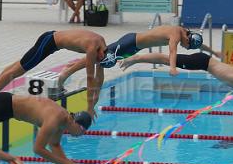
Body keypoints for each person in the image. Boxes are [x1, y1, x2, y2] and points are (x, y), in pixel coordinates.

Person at [57, 25, 204, 113]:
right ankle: (67, 72)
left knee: (99, 59)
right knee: (98, 58)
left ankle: (71, 68)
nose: (185, 48)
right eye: (187, 46)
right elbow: (172, 51)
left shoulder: (181, 31)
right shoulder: (176, 34)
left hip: (133, 47)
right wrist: (172, 68)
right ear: (188, 38)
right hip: (130, 43)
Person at [119, 50, 233, 125]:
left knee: (167, 59)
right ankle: (135, 58)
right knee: (166, 59)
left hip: (204, 60)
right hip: (202, 63)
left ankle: (135, 59)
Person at [0, 29, 107, 117]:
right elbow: (90, 78)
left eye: (101, 59)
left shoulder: (103, 47)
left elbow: (99, 78)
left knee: (17, 66)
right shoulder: (92, 48)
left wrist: (93, 104)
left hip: (51, 38)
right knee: (17, 71)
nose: (100, 58)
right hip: (48, 43)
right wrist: (89, 108)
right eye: (101, 57)